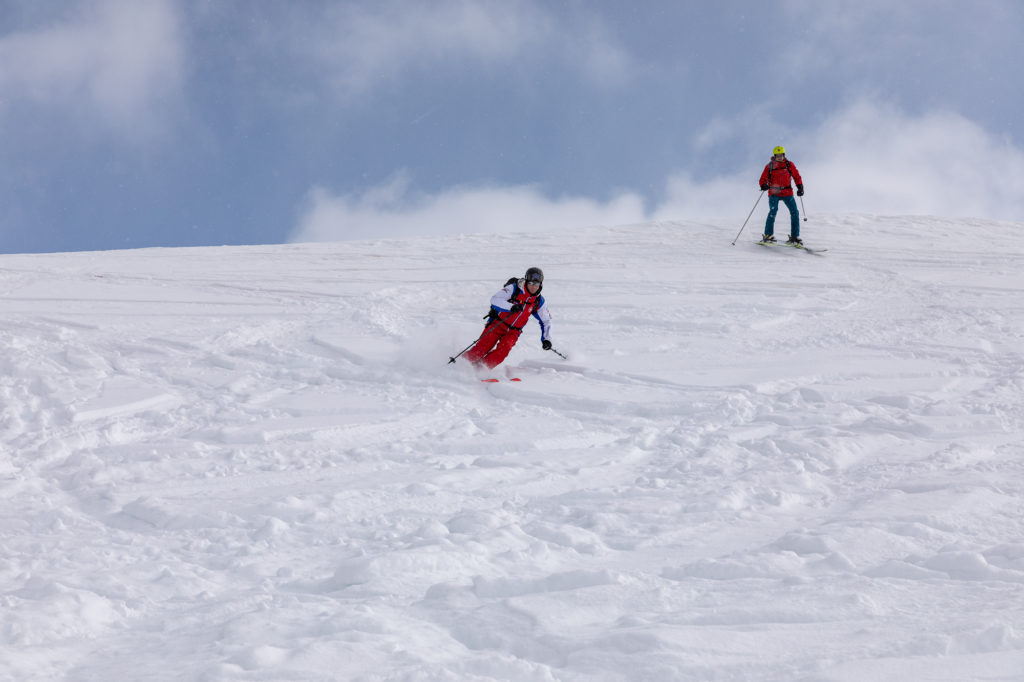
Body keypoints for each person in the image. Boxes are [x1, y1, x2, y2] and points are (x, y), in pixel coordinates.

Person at [463, 266, 552, 369]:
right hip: (498, 324)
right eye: (531, 283)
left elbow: (546, 321)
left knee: (502, 353)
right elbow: (495, 299)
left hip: (514, 332)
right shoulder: (514, 289)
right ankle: (461, 364)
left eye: (537, 284)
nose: (533, 287)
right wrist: (511, 307)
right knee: (481, 349)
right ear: (526, 281)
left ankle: (481, 370)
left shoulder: (538, 301)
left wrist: (546, 339)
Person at [758, 145, 804, 244]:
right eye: (777, 155)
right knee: (773, 211)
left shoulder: (789, 165)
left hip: (787, 192)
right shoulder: (769, 166)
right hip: (774, 193)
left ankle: (794, 237)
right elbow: (763, 178)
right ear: (774, 156)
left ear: (784, 155)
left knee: (795, 212)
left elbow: (796, 176)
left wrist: (800, 187)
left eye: (781, 155)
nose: (779, 157)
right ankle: (768, 235)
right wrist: (763, 185)